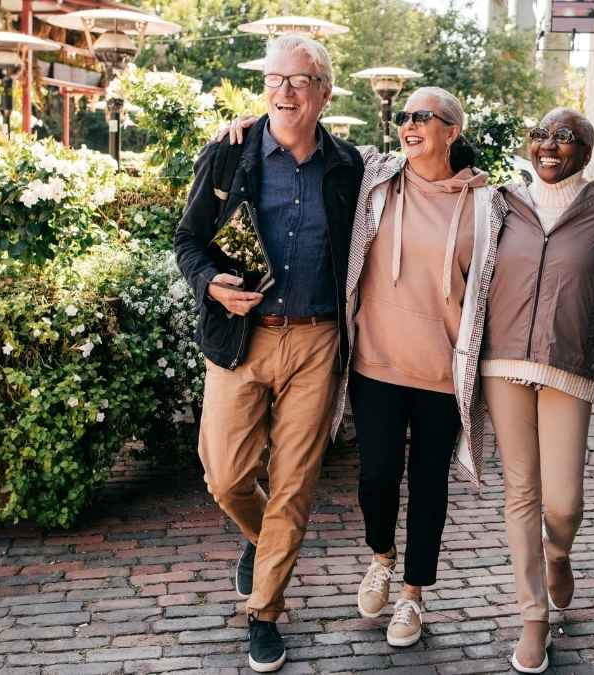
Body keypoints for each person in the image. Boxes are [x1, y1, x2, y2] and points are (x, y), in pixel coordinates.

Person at [172, 35, 364, 673]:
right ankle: (261, 541)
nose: (284, 91)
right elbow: (189, 241)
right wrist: (210, 285)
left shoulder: (350, 167)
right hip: (241, 339)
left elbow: (420, 175)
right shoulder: (229, 155)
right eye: (275, 79)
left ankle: (264, 612)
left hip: (316, 339)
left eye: (299, 81)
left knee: (293, 484)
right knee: (224, 475)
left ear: (324, 94)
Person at [343, 86, 502, 649]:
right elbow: (312, 146)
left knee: (430, 486)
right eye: (405, 116)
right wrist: (244, 126)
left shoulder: (486, 204)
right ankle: (381, 556)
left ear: (451, 131)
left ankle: (412, 594)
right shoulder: (375, 180)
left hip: (441, 372)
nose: (409, 125)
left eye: (423, 118)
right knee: (377, 477)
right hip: (375, 363)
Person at [475, 108, 594, 673]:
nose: (550, 145)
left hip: (570, 365)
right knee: (521, 493)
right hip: (504, 360)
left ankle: (559, 552)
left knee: (563, 501)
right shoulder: (501, 204)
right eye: (541, 134)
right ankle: (532, 619)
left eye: (567, 137)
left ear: (587, 151)